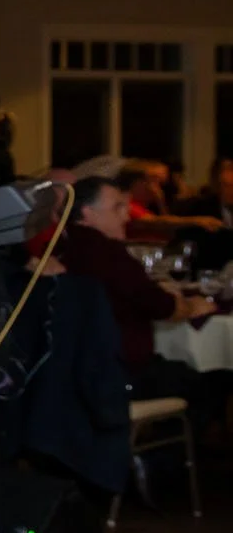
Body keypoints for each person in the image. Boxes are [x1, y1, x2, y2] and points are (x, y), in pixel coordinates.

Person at [55, 177, 213, 420]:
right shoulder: (107, 255)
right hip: (119, 375)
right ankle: (165, 455)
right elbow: (163, 307)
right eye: (117, 208)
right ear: (87, 213)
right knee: (213, 382)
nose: (126, 217)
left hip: (72, 376)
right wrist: (193, 305)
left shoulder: (61, 248)